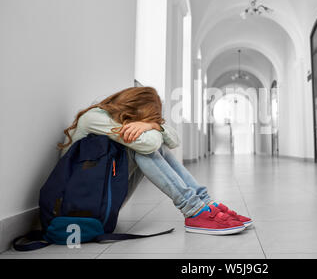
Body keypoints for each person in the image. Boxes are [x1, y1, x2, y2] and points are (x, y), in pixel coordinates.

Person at [58, 87, 252, 235]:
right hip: (76, 207)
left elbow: (174, 140)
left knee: (150, 145)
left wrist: (152, 126)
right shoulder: (94, 118)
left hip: (99, 198)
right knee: (142, 149)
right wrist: (151, 128)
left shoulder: (119, 121)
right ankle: (195, 210)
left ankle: (204, 204)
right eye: (145, 118)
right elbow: (148, 145)